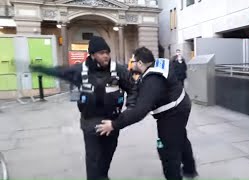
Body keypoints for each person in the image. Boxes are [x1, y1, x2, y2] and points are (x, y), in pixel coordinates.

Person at [30, 36, 137, 180]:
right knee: (93, 161)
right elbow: (60, 72)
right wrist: (40, 69)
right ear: (92, 55)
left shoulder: (118, 70)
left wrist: (130, 108)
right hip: (90, 122)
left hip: (112, 123)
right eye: (101, 53)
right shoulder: (81, 70)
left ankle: (103, 176)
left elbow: (133, 89)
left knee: (106, 158)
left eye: (107, 52)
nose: (106, 55)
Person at [96, 47, 198, 180]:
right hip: (181, 104)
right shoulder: (159, 64)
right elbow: (138, 87)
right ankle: (190, 170)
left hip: (172, 113)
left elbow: (140, 111)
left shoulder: (153, 81)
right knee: (180, 137)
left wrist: (114, 124)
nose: (131, 64)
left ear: (140, 63)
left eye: (133, 61)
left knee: (168, 151)